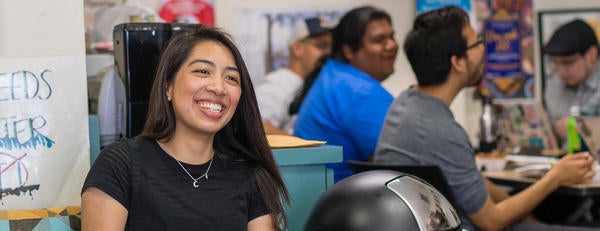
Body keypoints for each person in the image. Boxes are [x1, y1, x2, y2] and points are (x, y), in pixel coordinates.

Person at [374, 6, 596, 231]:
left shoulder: (405, 104)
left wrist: (527, 213)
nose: (484, 49)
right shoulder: (442, 131)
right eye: (477, 42)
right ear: (458, 62)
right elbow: (492, 222)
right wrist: (555, 177)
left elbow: (470, 181)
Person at [81, 28, 289, 230]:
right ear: (168, 87)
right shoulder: (120, 164)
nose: (218, 87)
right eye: (202, 71)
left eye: (231, 78)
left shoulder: (250, 175)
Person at [292, 6, 398, 182]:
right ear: (349, 51)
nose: (392, 45)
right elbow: (395, 167)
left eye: (392, 36)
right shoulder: (357, 90)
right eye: (379, 40)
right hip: (342, 200)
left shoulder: (334, 75)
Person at [255, 17, 332, 135]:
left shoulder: (318, 84)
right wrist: (306, 145)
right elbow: (257, 126)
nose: (327, 53)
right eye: (321, 46)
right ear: (297, 48)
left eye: (330, 47)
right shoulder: (276, 84)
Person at [543, 19, 600, 140]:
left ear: (592, 55)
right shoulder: (555, 83)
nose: (561, 72)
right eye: (555, 63)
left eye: (568, 63)